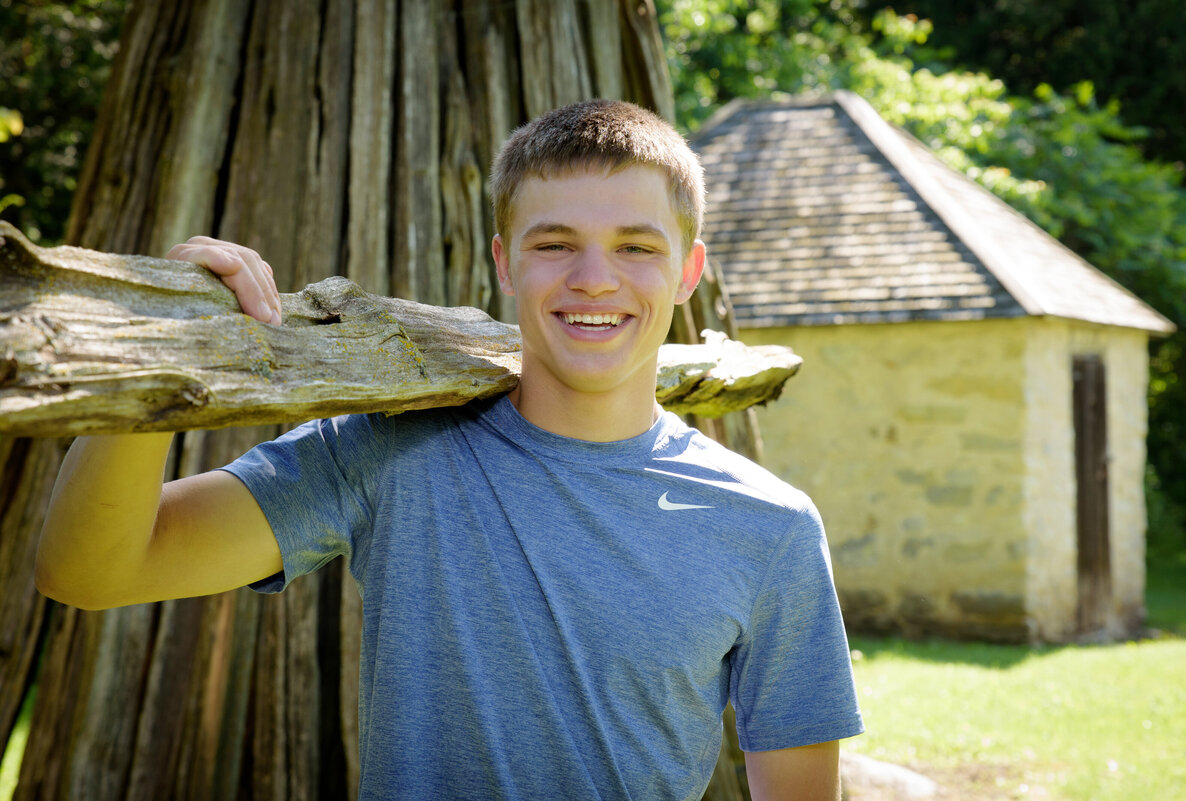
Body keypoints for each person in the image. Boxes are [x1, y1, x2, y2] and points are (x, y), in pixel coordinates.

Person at [36, 99, 863, 800]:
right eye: (554, 243)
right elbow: (90, 570)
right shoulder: (389, 454)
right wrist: (157, 339)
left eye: (637, 248)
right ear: (505, 263)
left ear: (689, 270)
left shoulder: (772, 528)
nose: (594, 278)